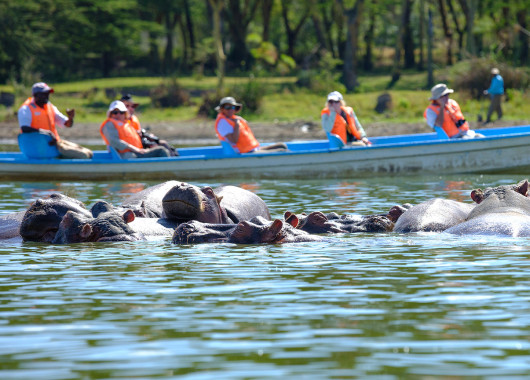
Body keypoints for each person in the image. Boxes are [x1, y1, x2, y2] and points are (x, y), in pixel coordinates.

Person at [17, 82, 93, 159]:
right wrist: (46, 133)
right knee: (84, 156)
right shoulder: (26, 109)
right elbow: (25, 128)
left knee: (90, 153)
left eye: (47, 93)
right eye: (44, 93)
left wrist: (70, 118)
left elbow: (67, 124)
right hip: (40, 147)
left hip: (55, 143)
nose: (47, 96)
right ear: (35, 95)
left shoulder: (50, 106)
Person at [214, 97, 288, 153]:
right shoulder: (223, 123)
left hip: (252, 148)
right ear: (222, 109)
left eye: (233, 107)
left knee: (282, 145)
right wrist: (236, 124)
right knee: (281, 151)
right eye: (227, 107)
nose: (231, 110)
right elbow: (234, 141)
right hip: (244, 152)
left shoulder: (233, 119)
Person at [100, 100, 171, 159]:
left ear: (125, 113)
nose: (118, 115)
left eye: (121, 112)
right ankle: (168, 172)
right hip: (127, 155)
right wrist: (134, 149)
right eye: (115, 112)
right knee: (161, 151)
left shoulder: (126, 124)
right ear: (110, 114)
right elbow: (114, 141)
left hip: (136, 152)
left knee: (162, 147)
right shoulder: (109, 124)